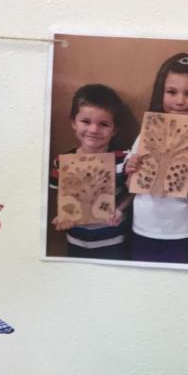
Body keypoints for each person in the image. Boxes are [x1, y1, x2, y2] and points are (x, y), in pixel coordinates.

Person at [123, 52, 188, 265]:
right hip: (143, 225)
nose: (180, 101)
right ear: (160, 94)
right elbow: (130, 185)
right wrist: (131, 169)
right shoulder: (147, 133)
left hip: (181, 230)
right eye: (171, 92)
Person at [49, 83, 131, 259]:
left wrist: (119, 209)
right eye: (86, 122)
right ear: (73, 122)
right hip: (76, 242)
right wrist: (63, 215)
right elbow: (61, 195)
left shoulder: (123, 160)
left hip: (113, 241)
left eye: (104, 124)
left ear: (115, 129)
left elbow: (134, 192)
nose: (94, 130)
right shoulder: (62, 162)